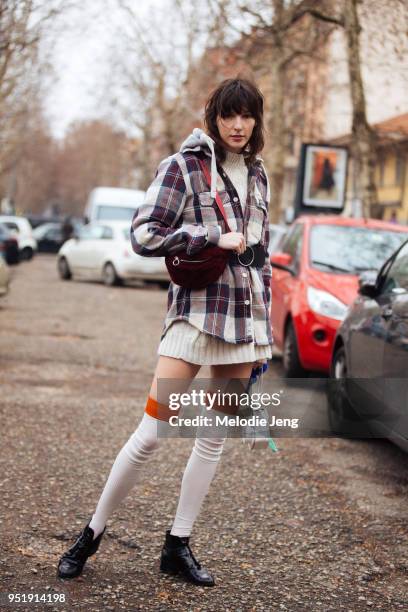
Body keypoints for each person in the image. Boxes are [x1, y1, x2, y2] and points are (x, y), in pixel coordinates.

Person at [56, 77, 273, 587]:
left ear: (257, 120)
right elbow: (144, 235)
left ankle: (178, 544)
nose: (238, 125)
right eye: (229, 115)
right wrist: (211, 234)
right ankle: (91, 533)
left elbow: (259, 257)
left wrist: (265, 335)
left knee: (212, 438)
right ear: (215, 116)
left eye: (247, 116)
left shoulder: (259, 175)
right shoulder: (184, 166)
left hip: (242, 322)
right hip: (193, 315)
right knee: (151, 432)